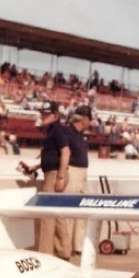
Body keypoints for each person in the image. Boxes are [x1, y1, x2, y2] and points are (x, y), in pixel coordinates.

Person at [35, 100, 74, 259]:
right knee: (56, 214)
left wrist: (60, 176)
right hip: (52, 172)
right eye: (42, 113)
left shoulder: (57, 129)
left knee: (47, 214)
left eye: (47, 114)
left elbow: (66, 152)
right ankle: (64, 251)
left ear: (56, 115)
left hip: (55, 174)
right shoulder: (52, 129)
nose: (43, 116)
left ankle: (45, 254)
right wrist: (37, 166)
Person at [64, 105, 92, 255]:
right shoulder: (68, 133)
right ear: (85, 119)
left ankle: (77, 246)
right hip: (73, 172)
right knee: (70, 211)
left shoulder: (81, 135)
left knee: (81, 211)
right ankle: (67, 246)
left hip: (82, 173)